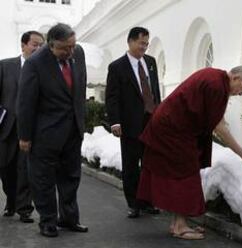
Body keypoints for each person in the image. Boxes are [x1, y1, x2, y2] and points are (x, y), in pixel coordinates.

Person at [137, 66, 242, 240]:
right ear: (237, 78)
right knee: (186, 174)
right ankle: (180, 226)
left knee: (183, 172)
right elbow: (219, 128)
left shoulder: (216, 78)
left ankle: (176, 224)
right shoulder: (217, 86)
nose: (241, 94)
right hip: (171, 129)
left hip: (169, 125)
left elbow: (216, 115)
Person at [17, 23, 88, 237]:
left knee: (71, 178)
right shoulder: (35, 63)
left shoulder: (78, 53)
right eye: (64, 48)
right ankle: (48, 221)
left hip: (73, 131)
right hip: (44, 134)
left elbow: (79, 89)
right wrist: (25, 136)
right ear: (51, 45)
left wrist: (81, 122)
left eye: (72, 46)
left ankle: (69, 218)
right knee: (43, 180)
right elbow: (26, 102)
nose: (70, 51)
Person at [105, 27, 161, 218]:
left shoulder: (151, 62)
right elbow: (112, 97)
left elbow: (155, 92)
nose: (144, 47)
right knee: (131, 165)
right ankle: (134, 204)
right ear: (129, 42)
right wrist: (115, 122)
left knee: (150, 164)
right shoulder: (117, 67)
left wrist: (159, 115)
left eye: (146, 43)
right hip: (129, 124)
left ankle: (148, 202)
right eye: (141, 43)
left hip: (151, 122)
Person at [0, 31, 44, 223]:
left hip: (31, 129)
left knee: (25, 169)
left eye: (41, 45)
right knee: (6, 169)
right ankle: (11, 199)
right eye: (35, 44)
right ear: (23, 45)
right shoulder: (5, 66)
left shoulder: (44, 69)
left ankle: (24, 208)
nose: (38, 48)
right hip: (6, 128)